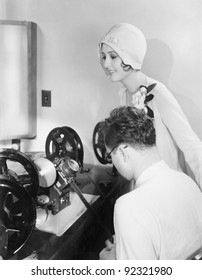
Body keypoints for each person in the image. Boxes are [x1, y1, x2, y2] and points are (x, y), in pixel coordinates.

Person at [98, 23, 202, 190]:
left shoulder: (159, 94)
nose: (106, 64)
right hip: (145, 188)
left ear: (130, 56)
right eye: (103, 57)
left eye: (113, 56)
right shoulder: (123, 95)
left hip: (170, 189)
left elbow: (192, 147)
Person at [99, 106, 202, 260]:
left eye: (110, 156)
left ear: (121, 152)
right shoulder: (187, 182)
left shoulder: (129, 206)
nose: (112, 162)